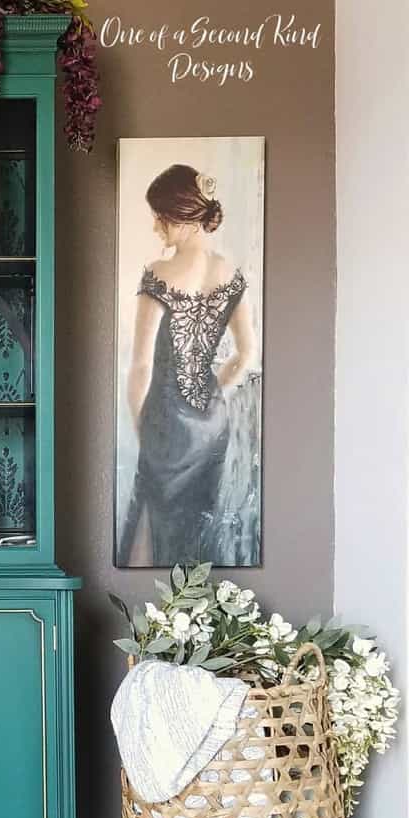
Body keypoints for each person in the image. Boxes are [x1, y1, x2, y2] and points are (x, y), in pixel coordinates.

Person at [118, 163, 257, 566]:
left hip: (166, 424)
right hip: (212, 427)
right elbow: (246, 353)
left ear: (182, 217)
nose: (157, 229)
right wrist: (216, 392)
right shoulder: (230, 275)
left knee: (149, 524)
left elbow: (141, 365)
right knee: (196, 530)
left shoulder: (159, 274)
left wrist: (141, 424)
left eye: (160, 219)